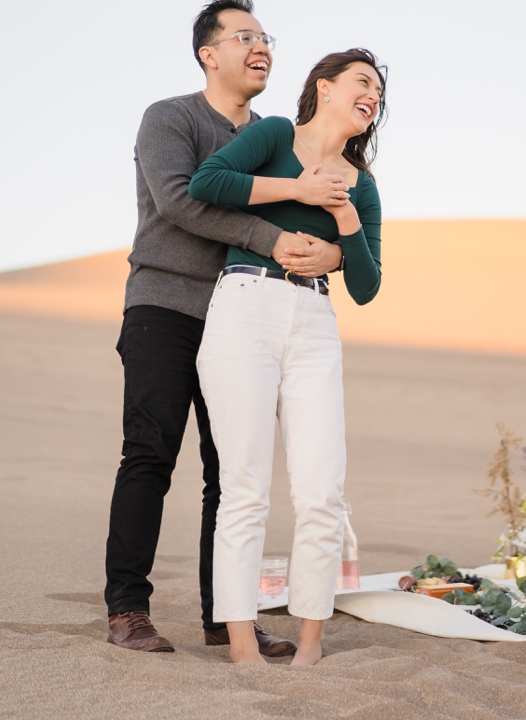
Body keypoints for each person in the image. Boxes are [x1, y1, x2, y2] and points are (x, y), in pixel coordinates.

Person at [105, 0, 348, 655]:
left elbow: (314, 221)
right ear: (208, 54)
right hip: (162, 305)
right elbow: (180, 200)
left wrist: (332, 251)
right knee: (150, 454)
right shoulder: (170, 118)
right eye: (244, 36)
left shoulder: (273, 138)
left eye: (266, 35)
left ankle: (225, 616)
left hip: (242, 322)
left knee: (232, 472)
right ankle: (127, 607)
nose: (261, 45)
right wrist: (270, 238)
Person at [188, 48, 386, 665]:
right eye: (363, 83)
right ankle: (243, 647)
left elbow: (366, 284)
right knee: (244, 486)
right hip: (245, 306)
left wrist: (344, 224)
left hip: (316, 322)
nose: (373, 97)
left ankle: (308, 645)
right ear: (324, 88)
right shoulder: (273, 134)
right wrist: (299, 188)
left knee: (323, 491)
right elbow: (207, 184)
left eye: (379, 92)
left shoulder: (365, 184)